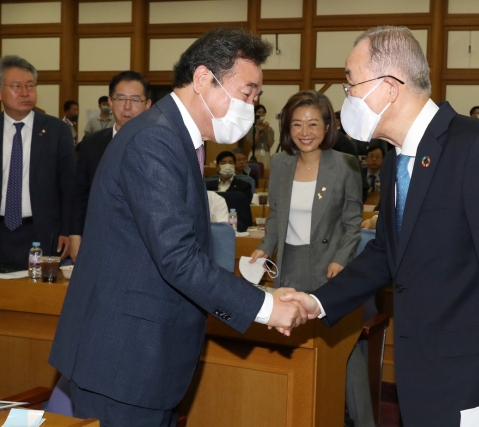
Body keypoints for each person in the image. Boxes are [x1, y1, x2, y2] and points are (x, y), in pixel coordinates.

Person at [281, 26, 479, 427]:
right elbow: (388, 253)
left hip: (477, 377)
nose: (346, 98)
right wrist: (317, 302)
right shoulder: (395, 160)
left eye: (350, 84)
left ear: (388, 87)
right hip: (419, 366)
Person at [49, 27, 308, 426]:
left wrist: (263, 295)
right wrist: (267, 307)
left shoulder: (174, 136)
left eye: (257, 98)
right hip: (124, 363)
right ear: (204, 79)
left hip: (144, 359)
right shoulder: (156, 139)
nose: (252, 107)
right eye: (247, 93)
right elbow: (178, 258)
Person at [249, 90, 370, 427]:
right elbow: (275, 218)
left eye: (313, 124)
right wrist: (263, 247)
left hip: (332, 269)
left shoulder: (345, 164)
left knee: (343, 352)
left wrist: (342, 260)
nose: (305, 132)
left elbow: (352, 223)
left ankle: (364, 422)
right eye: (297, 124)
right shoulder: (282, 164)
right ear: (288, 129)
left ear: (327, 126)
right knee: (292, 349)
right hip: (289, 268)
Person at [0, 55, 75, 267]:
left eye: (30, 86)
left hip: (41, 232)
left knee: (38, 297)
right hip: (1, 230)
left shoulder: (57, 131)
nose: (25, 92)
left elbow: (69, 185)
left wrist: (67, 230)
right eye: (17, 86)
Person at [69, 71, 152, 261]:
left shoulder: (162, 145)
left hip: (145, 246)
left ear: (148, 105)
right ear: (110, 101)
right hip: (98, 240)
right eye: (121, 99)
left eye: (136, 100)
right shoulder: (91, 144)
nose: (128, 107)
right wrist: (75, 235)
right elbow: (79, 193)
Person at [247, 104, 274, 169]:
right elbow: (252, 144)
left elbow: (270, 144)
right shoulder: (251, 128)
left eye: (263, 112)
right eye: (259, 112)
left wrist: (267, 131)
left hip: (266, 154)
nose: (261, 114)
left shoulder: (269, 129)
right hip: (255, 154)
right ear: (255, 114)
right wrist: (259, 132)